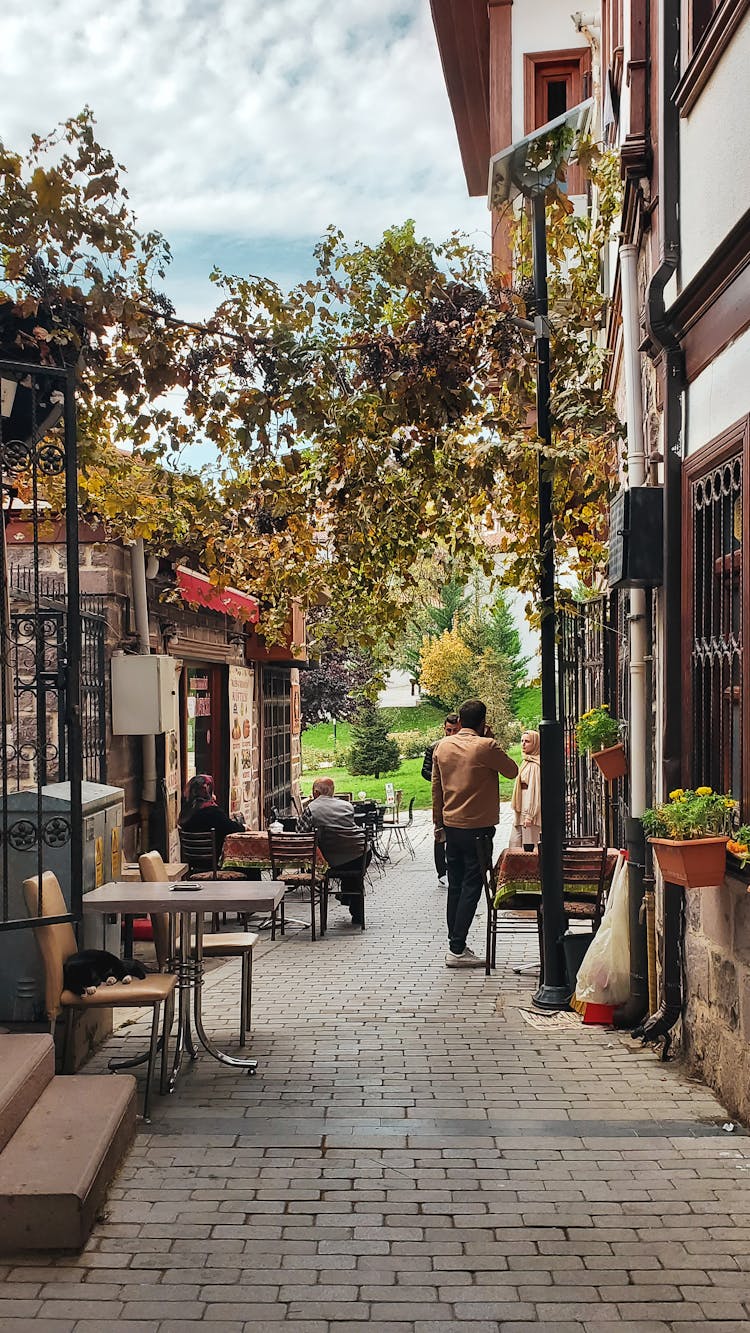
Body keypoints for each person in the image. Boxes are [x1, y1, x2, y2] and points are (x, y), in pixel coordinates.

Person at [432, 699, 518, 967]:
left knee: (455, 885)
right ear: (483, 722)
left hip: (452, 825)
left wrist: (438, 823)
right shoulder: (486, 746)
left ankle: (455, 943)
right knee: (473, 884)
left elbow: (437, 788)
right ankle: (457, 947)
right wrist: (491, 740)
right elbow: (512, 770)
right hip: (478, 828)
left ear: (459, 720)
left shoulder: (442, 746)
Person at [298, 778, 371, 925]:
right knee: (354, 877)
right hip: (361, 855)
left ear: (315, 792)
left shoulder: (312, 808)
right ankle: (354, 908)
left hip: (332, 860)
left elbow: (301, 833)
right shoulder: (347, 806)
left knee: (343, 864)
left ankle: (346, 896)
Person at [422, 713, 460, 888]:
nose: (451, 733)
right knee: (440, 833)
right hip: (442, 797)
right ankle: (441, 872)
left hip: (459, 796)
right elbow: (425, 771)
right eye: (448, 730)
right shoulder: (435, 747)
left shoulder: (464, 746)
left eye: (455, 730)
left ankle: (455, 869)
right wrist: (439, 779)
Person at [179, 774, 244, 843]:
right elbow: (230, 827)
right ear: (208, 792)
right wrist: (244, 827)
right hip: (212, 853)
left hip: (189, 853)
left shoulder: (186, 811)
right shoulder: (213, 812)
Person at [509, 729, 541, 850]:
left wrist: (529, 815)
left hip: (528, 814)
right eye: (522, 740)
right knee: (515, 844)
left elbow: (534, 791)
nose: (523, 744)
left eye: (527, 741)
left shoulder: (535, 765)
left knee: (529, 847)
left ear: (535, 744)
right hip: (520, 811)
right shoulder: (527, 761)